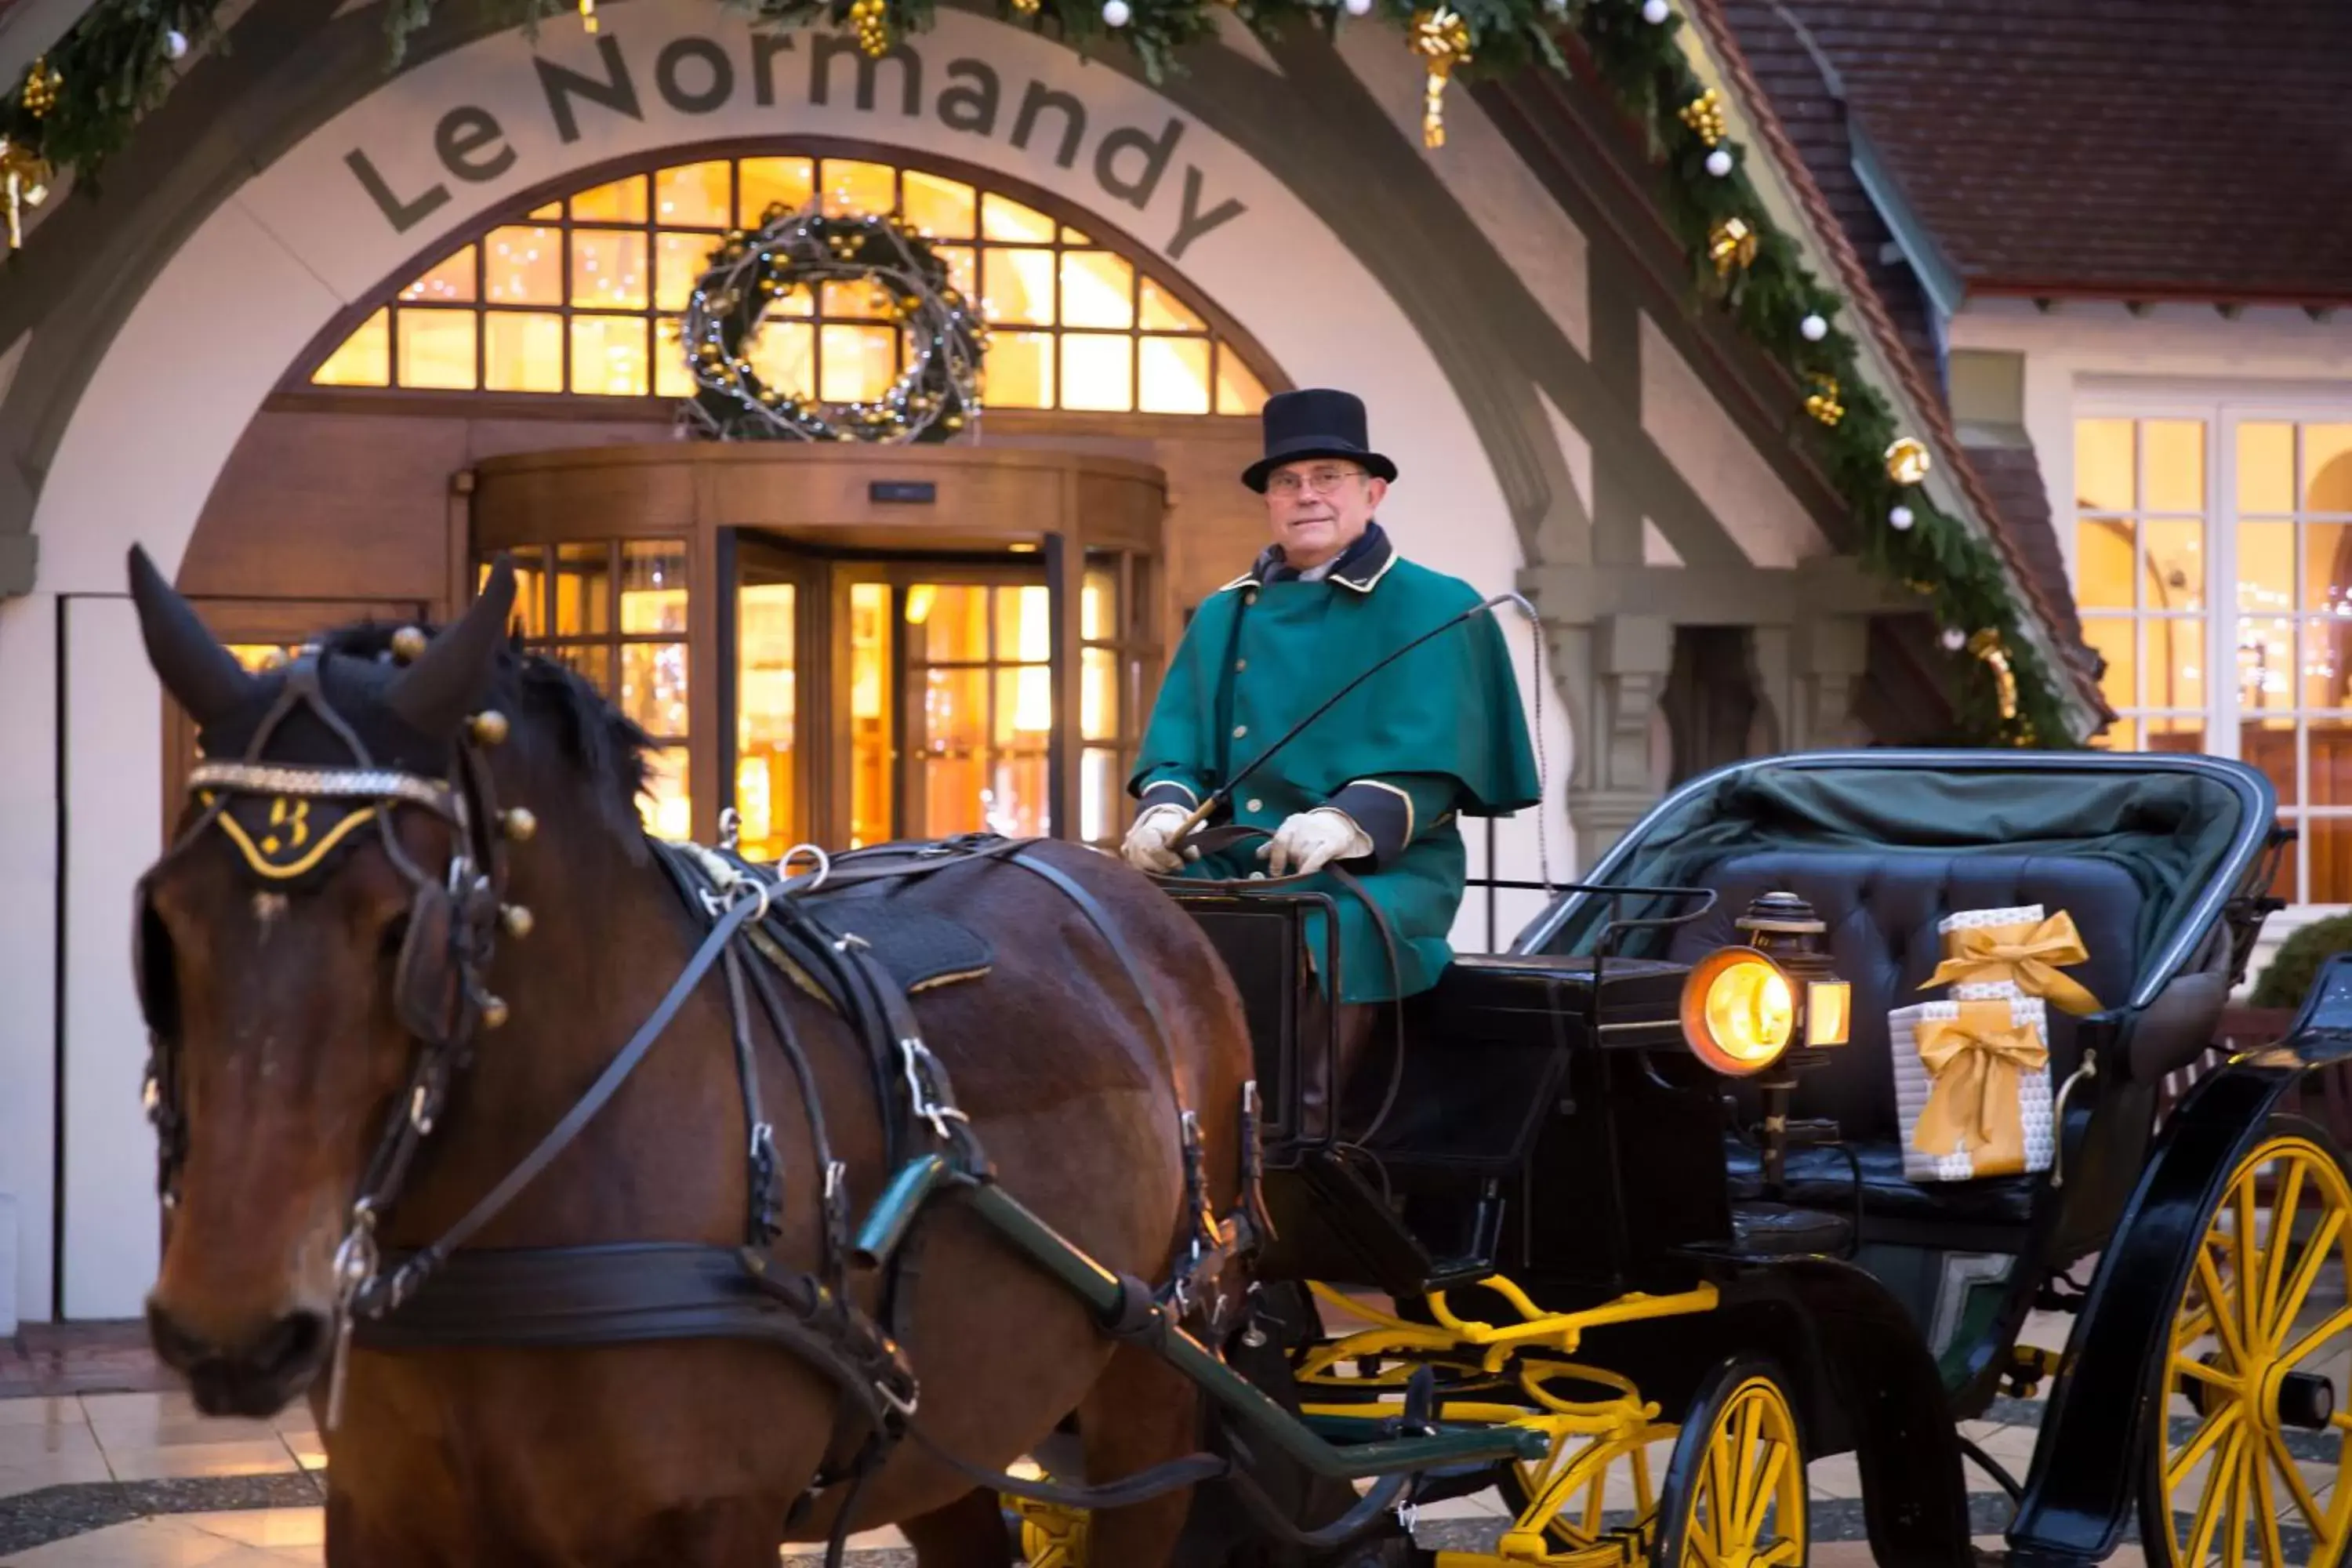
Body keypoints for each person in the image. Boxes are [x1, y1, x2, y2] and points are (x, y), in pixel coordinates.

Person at [1121, 387, 1541, 1117]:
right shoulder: (1225, 611)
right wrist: (1163, 814)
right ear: (1269, 502)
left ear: (1372, 493)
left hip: (1381, 871)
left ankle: (1300, 1141)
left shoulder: (1439, 605)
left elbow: (1436, 765)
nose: (1305, 495)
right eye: (1287, 482)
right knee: (1114, 918)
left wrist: (1347, 824)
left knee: (1315, 929)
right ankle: (1151, 1129)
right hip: (1232, 856)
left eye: (1327, 477)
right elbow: (1178, 752)